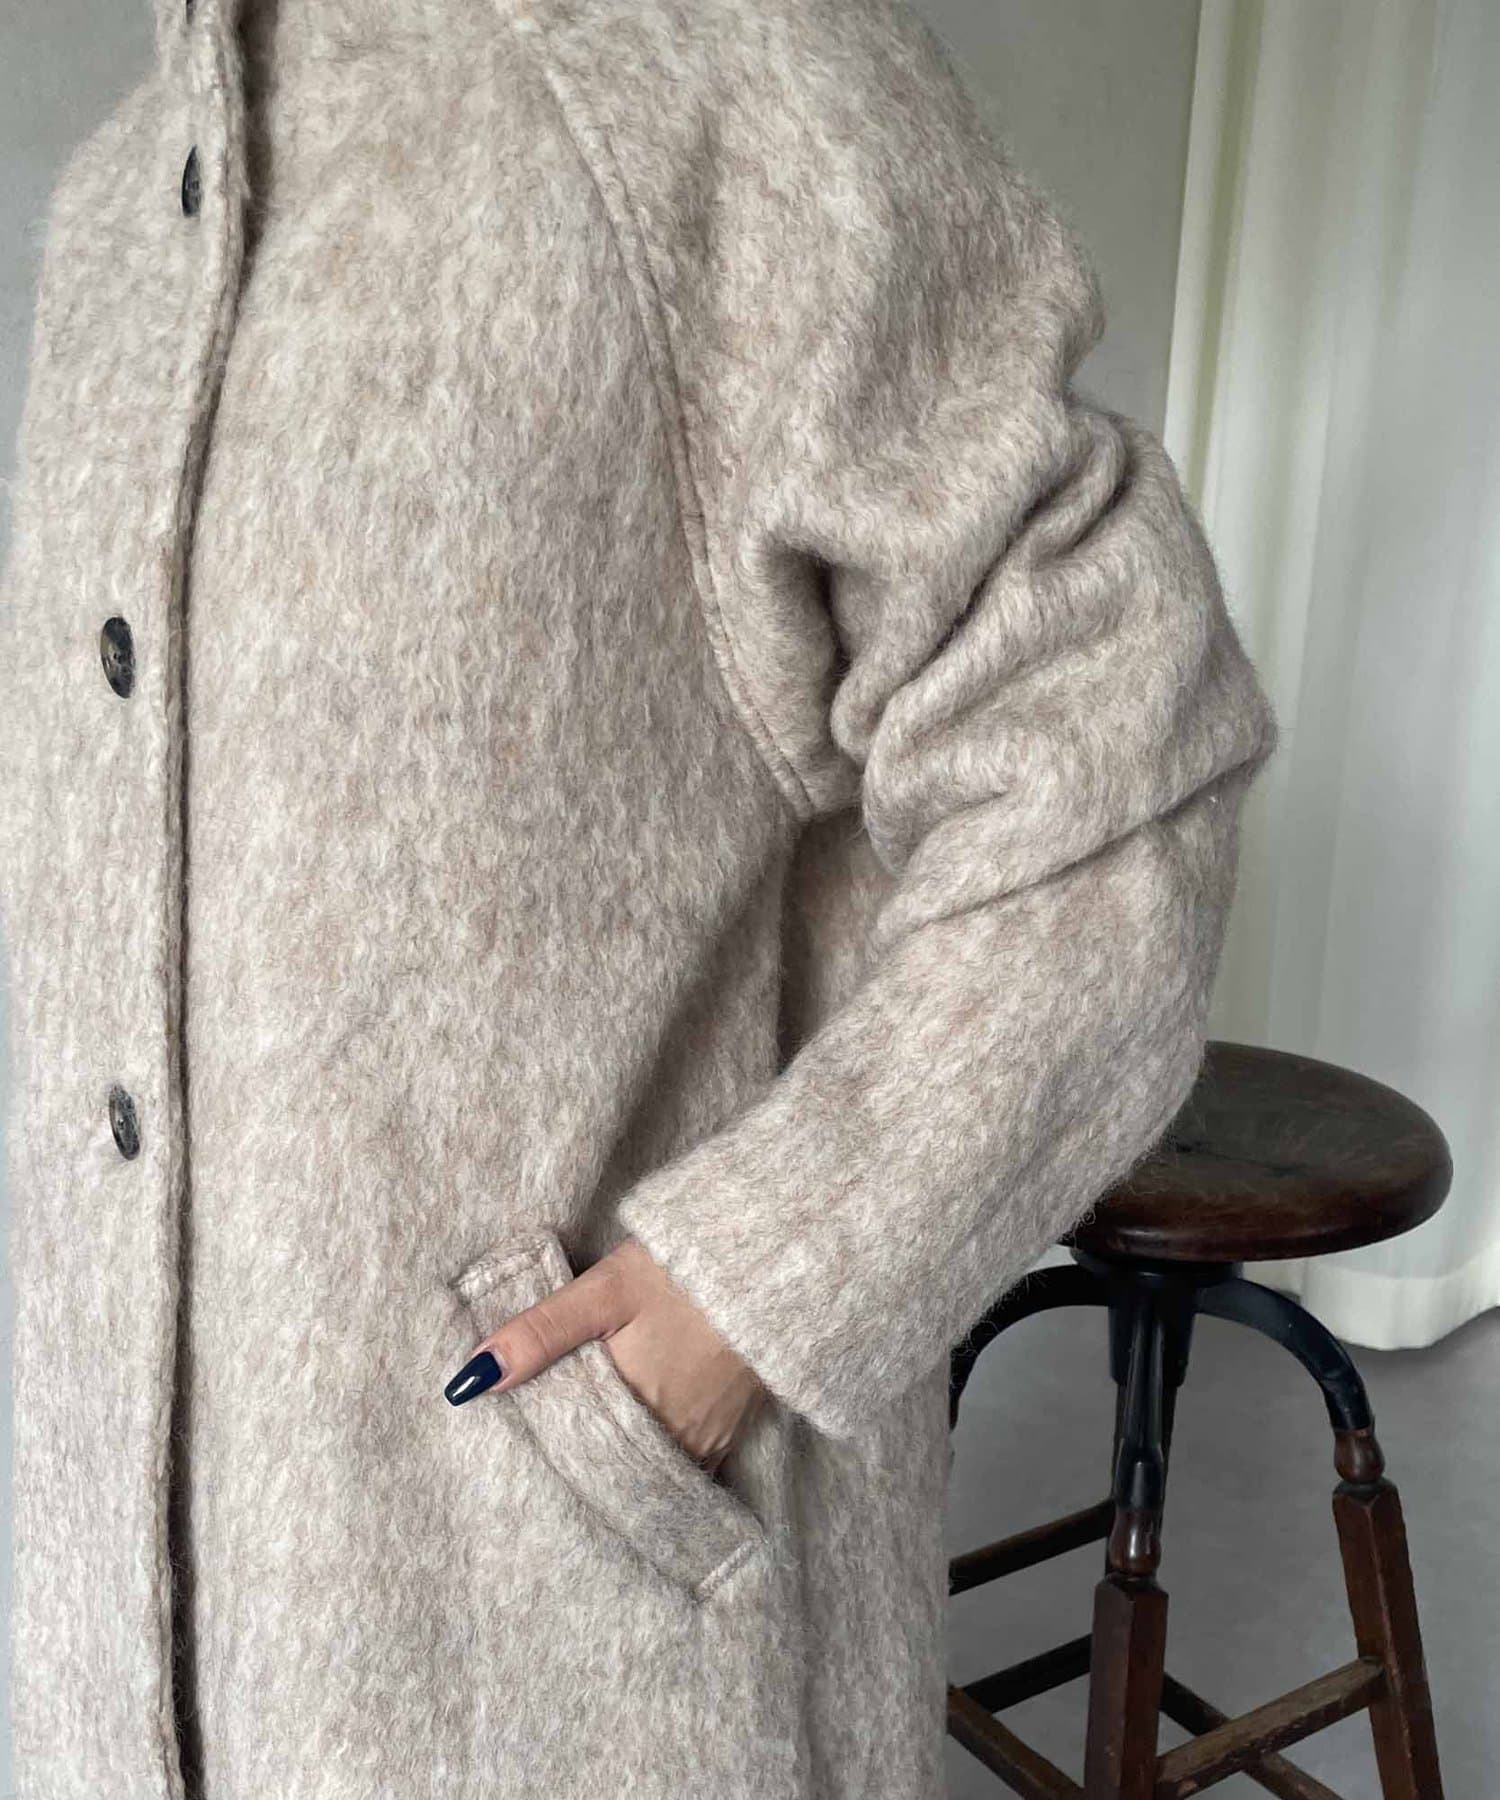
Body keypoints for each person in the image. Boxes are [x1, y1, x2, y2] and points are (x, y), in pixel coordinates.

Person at [0, 0, 1278, 1795]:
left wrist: (756, 1283)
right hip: (112, 1662)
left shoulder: (704, 62)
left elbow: (1119, 745)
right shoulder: (120, 203)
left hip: (546, 1658)